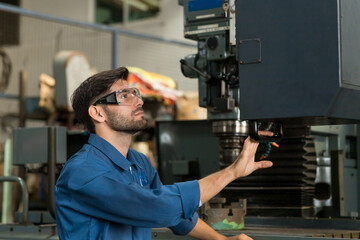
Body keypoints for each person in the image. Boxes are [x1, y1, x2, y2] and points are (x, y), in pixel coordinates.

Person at [55, 67, 273, 240]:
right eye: (124, 96)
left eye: (135, 93)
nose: (139, 101)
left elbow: (178, 217)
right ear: (98, 113)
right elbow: (159, 207)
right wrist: (232, 172)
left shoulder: (138, 162)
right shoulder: (83, 172)